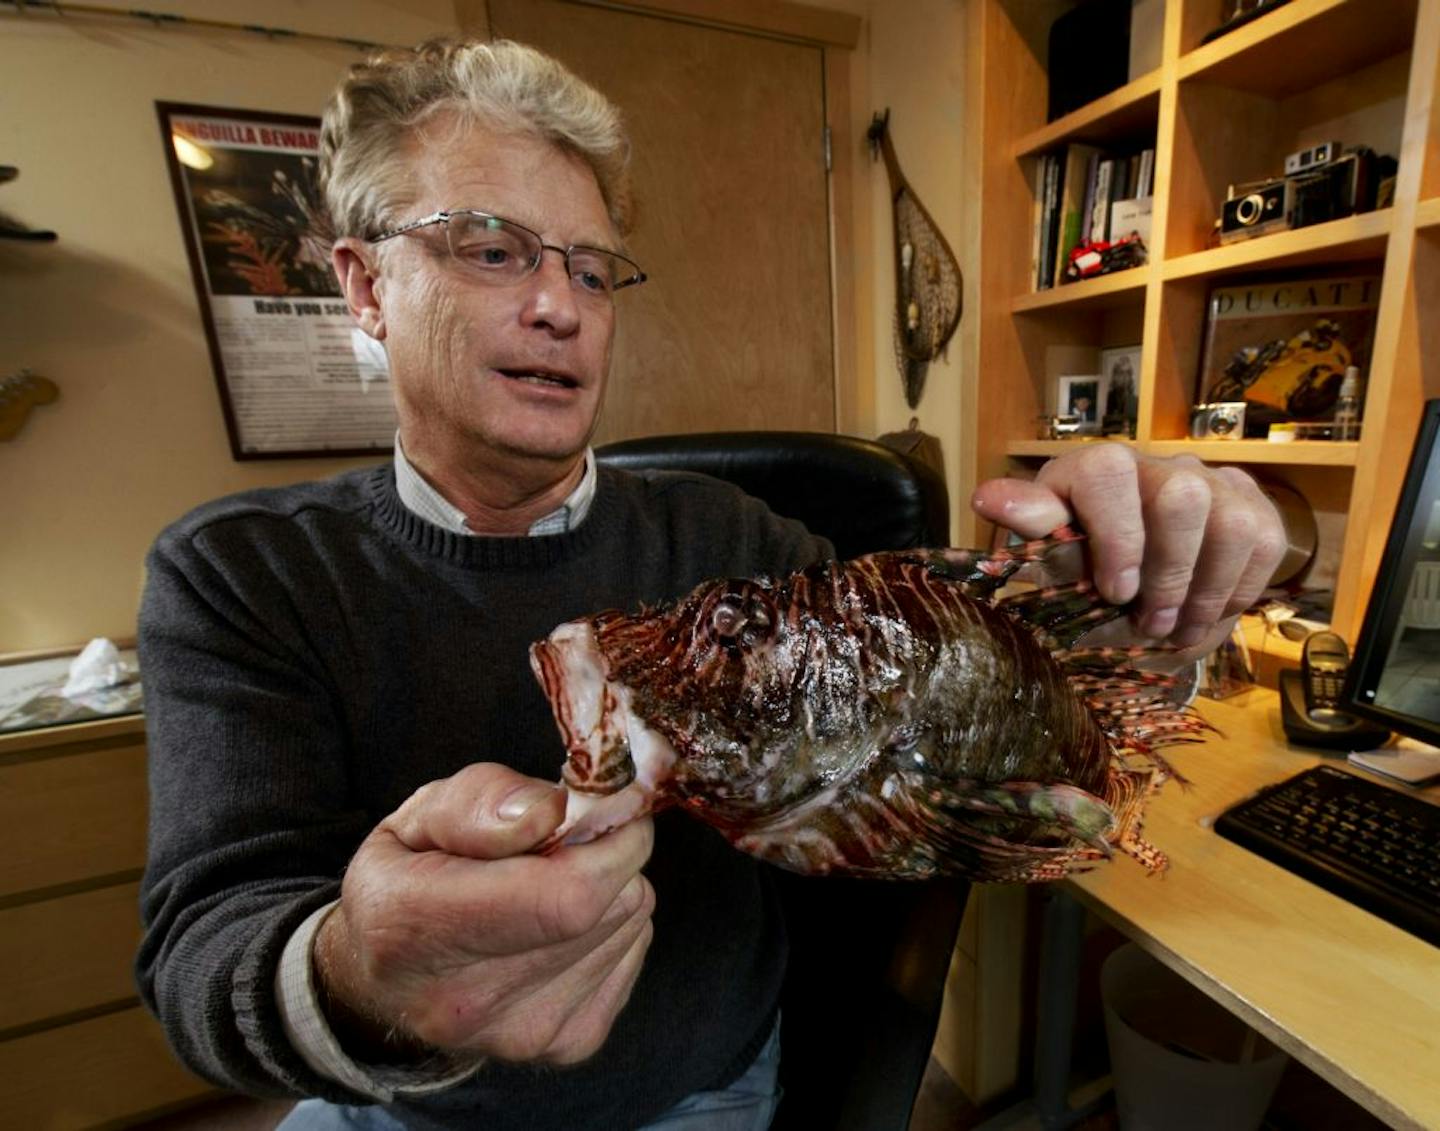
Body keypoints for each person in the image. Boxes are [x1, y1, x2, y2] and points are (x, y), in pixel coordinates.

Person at [136, 38, 1286, 1131]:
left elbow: (978, 759)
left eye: (593, 269)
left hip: (695, 1099)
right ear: (365, 284)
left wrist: (1143, 601)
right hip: (394, 1105)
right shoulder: (243, 572)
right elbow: (204, 946)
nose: (561, 306)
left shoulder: (737, 541)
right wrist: (359, 974)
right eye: (491, 249)